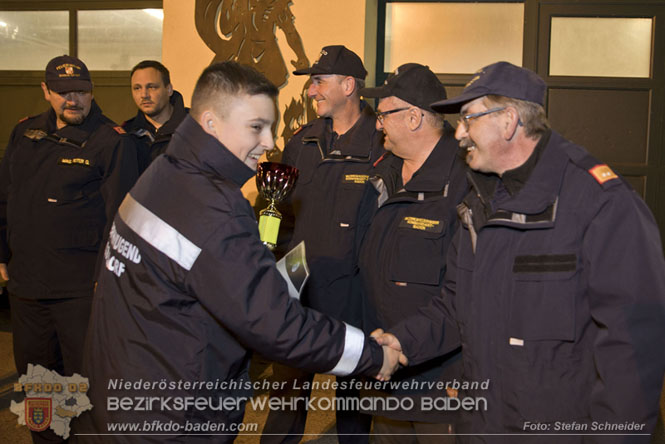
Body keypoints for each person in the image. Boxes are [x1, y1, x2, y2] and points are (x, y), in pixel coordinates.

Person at [78, 61, 399, 444]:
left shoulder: (164, 173)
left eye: (271, 128)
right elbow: (276, 324)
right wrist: (373, 356)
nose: (269, 142)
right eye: (256, 127)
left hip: (122, 397)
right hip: (173, 418)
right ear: (211, 122)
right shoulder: (214, 209)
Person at [374, 61, 665, 443]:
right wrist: (403, 341)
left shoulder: (600, 205)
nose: (458, 133)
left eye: (468, 119)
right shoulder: (478, 201)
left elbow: (632, 352)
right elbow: (456, 303)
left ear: (508, 120)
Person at [0, 55, 139, 444]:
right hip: (27, 288)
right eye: (62, 92)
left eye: (79, 90)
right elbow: (3, 197)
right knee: (38, 386)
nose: (71, 99)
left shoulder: (112, 142)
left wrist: (107, 281)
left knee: (87, 388)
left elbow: (121, 220)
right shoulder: (23, 134)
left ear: (91, 90)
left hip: (82, 291)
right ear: (46, 92)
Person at [260, 45, 385, 444]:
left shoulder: (381, 146)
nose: (310, 90)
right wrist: (266, 254)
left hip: (353, 293)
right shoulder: (302, 142)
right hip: (298, 289)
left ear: (348, 85)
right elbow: (277, 209)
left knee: (352, 408)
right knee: (285, 397)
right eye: (311, 82)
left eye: (319, 81)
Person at [355, 63, 467, 443]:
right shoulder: (382, 174)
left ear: (416, 117)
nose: (376, 123)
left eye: (384, 113)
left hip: (442, 382)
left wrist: (462, 376)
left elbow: (475, 296)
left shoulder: (466, 184)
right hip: (385, 370)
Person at [122, 60, 189, 172]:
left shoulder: (197, 127)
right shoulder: (126, 134)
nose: (144, 95)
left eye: (152, 87)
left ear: (168, 89)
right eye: (137, 88)